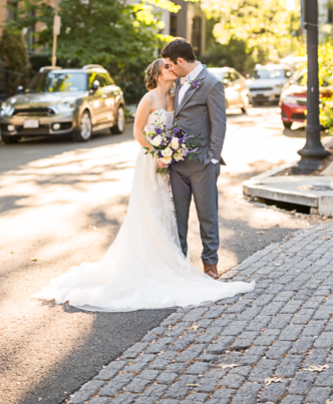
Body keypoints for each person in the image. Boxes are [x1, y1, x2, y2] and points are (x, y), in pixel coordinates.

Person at [32, 58, 253, 311]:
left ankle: (173, 262)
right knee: (149, 210)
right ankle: (151, 263)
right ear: (158, 75)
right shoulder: (148, 99)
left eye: (173, 66)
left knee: (169, 212)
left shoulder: (176, 96)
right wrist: (157, 151)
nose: (172, 70)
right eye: (167, 68)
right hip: (151, 162)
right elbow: (138, 132)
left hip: (172, 163)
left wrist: (173, 151)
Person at [161, 37, 227, 280]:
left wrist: (212, 159)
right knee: (178, 217)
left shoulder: (212, 83)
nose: (169, 69)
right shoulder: (177, 81)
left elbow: (219, 125)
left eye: (171, 65)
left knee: (207, 215)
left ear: (181, 60)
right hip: (177, 164)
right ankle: (180, 262)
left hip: (202, 164)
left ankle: (210, 263)